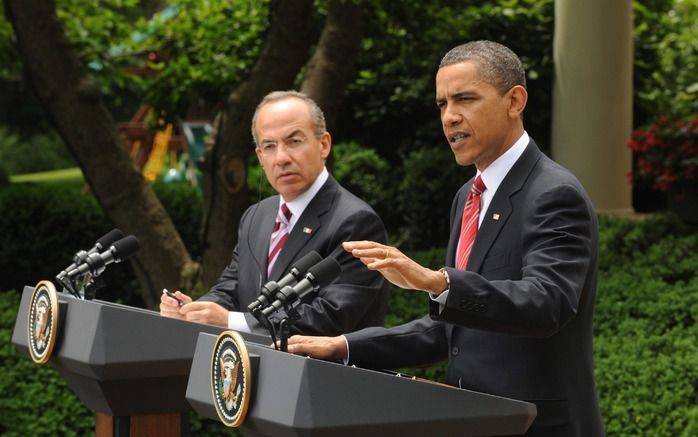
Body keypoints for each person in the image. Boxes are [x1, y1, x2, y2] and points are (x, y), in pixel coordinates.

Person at [286, 41, 604, 436]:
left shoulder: (554, 193)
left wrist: (438, 282)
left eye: (465, 99)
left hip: (537, 426)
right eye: (441, 104)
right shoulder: (467, 198)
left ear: (515, 101)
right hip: (471, 422)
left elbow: (547, 304)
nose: (450, 117)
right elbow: (452, 330)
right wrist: (345, 346)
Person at [160, 90, 390, 336]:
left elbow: (330, 317)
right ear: (260, 157)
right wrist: (196, 310)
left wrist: (232, 321)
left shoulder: (356, 222)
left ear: (324, 145)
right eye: (269, 146)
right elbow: (232, 287)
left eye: (294, 141)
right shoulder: (256, 216)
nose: (281, 158)